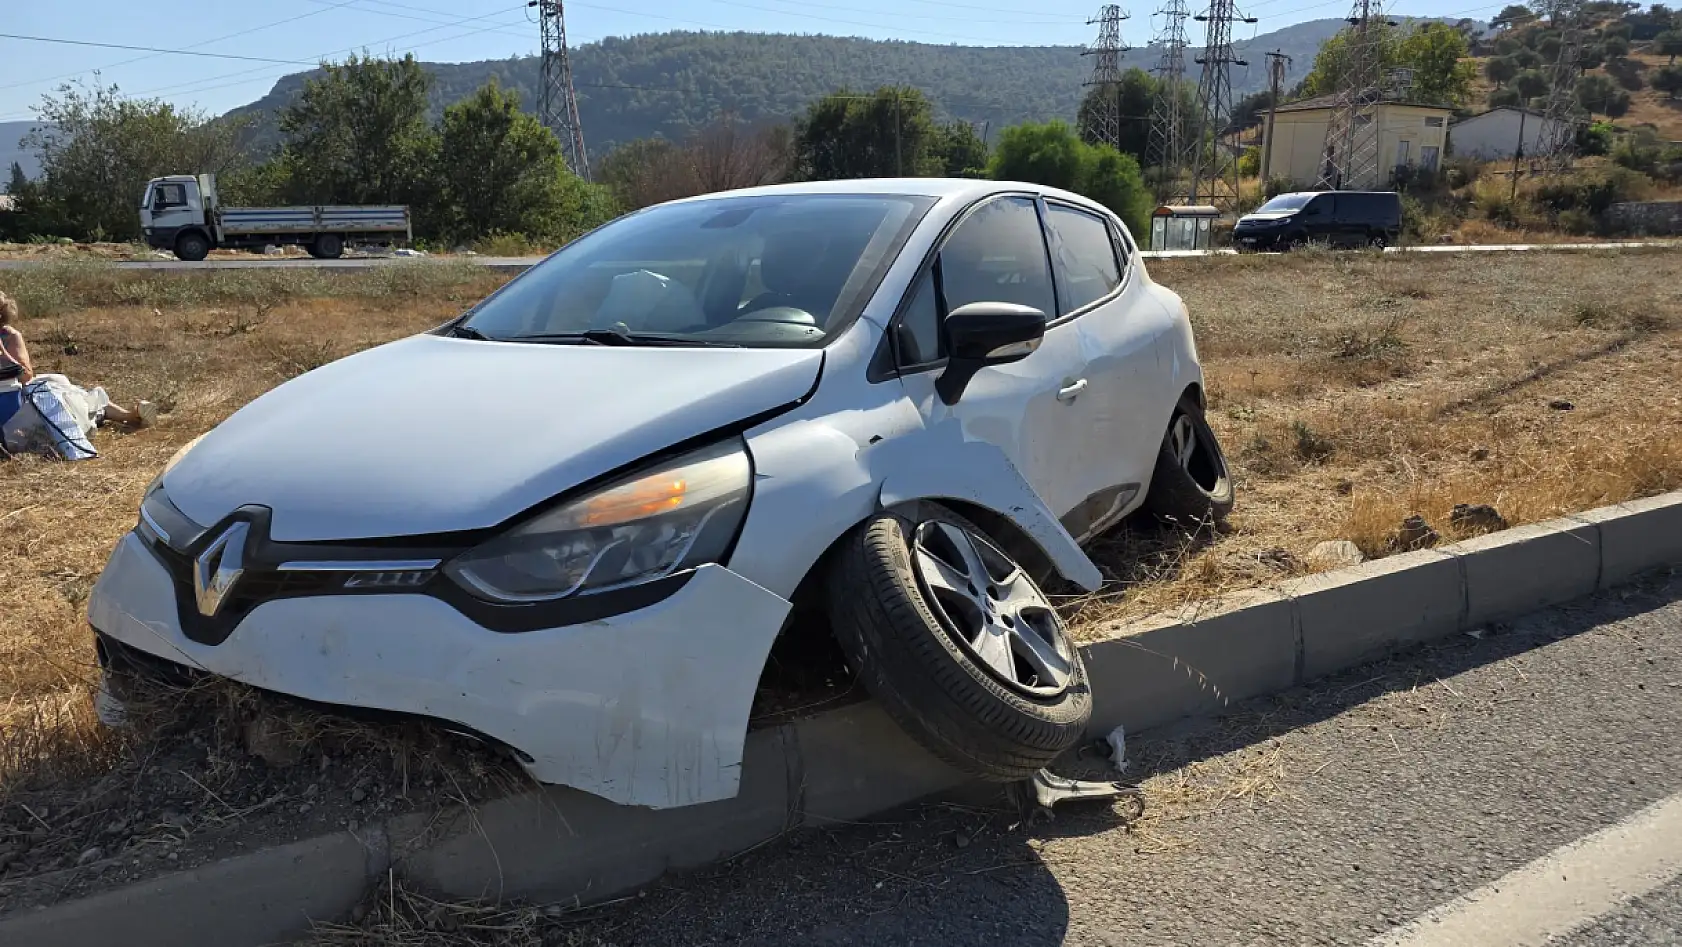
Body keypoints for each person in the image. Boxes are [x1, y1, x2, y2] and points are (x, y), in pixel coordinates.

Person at [0, 290, 156, 433]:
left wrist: (4, 353)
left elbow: (26, 376)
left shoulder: (10, 336)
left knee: (69, 398)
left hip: (15, 398)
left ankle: (129, 416)